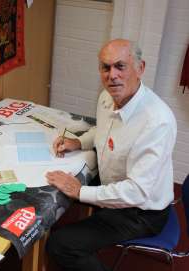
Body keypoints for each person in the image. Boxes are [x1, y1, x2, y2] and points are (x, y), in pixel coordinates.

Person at [45, 39, 177, 271]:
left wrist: (80, 191)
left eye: (120, 66)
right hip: (115, 183)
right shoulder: (108, 97)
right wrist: (79, 142)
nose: (112, 75)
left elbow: (136, 192)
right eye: (105, 67)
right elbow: (104, 130)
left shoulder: (157, 122)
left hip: (140, 212)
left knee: (61, 244)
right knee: (54, 187)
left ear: (140, 68)